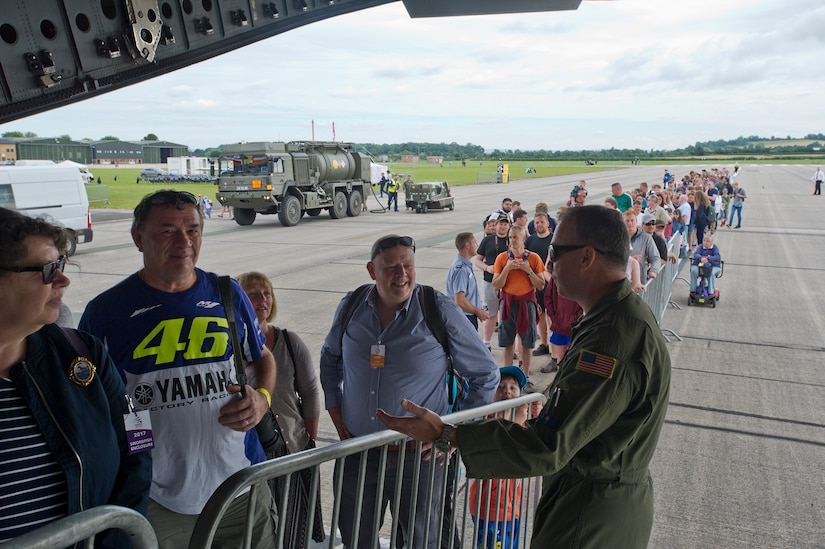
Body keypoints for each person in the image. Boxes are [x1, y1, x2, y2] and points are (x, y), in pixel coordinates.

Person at [377, 205, 672, 549]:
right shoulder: (610, 321)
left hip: (590, 517)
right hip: (588, 503)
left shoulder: (614, 337)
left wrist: (450, 435)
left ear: (587, 257)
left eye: (556, 252)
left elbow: (549, 443)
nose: (548, 264)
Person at [79, 190, 277, 548]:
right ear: (138, 238)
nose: (183, 241)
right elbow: (90, 404)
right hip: (156, 497)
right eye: (167, 230)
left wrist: (262, 398)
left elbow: (261, 356)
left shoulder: (227, 293)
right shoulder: (106, 311)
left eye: (192, 230)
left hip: (241, 485)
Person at [319, 234, 499, 549]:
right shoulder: (351, 307)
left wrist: (455, 432)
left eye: (408, 265)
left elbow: (485, 373)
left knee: (420, 541)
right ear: (371, 271)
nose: (401, 273)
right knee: (355, 538)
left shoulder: (436, 309)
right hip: (357, 453)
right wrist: (336, 413)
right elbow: (329, 358)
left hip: (420, 459)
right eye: (390, 267)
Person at [0, 207, 151, 545]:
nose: (63, 280)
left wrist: (119, 540)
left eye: (62, 265)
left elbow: (138, 431)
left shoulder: (84, 352)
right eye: (48, 269)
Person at [237, 271, 324, 548]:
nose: (262, 299)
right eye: (252, 294)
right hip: (254, 453)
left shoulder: (289, 341)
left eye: (266, 293)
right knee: (261, 527)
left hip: (292, 446)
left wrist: (308, 438)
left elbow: (310, 391)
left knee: (294, 525)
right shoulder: (229, 344)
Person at [468, 366, 531, 549]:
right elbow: (501, 449)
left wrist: (535, 413)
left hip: (512, 507)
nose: (507, 392)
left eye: (513, 388)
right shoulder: (488, 420)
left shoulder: (522, 422)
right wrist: (518, 421)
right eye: (500, 387)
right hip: (491, 508)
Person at [492, 224, 546, 376]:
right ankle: (508, 375)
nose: (512, 240)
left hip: (526, 303)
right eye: (510, 237)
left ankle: (526, 375)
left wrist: (528, 270)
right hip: (507, 303)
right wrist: (507, 269)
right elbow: (496, 285)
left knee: (527, 343)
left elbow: (541, 285)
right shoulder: (502, 258)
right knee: (507, 342)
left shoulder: (533, 258)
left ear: (523, 238)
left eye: (515, 237)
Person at [474, 214, 511, 350]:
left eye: (505, 224)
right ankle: (486, 343)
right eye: (500, 224)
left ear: (509, 226)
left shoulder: (512, 240)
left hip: (509, 283)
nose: (502, 226)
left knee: (507, 314)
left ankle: (508, 344)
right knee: (491, 314)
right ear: (495, 226)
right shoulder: (488, 241)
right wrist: (487, 267)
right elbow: (477, 260)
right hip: (489, 282)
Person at [446, 232, 490, 329]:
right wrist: (478, 312)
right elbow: (460, 301)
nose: (477, 245)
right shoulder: (461, 270)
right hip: (464, 318)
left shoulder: (465, 266)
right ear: (467, 245)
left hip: (468, 316)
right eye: (475, 242)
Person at [525, 213, 553, 358]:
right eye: (536, 223)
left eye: (542, 222)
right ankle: (544, 343)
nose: (539, 225)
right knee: (540, 313)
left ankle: (555, 346)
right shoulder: (530, 241)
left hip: (551, 283)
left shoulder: (553, 240)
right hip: (535, 283)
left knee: (552, 314)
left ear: (548, 224)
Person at [625, 211, 660, 285]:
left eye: (632, 220)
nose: (630, 223)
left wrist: (653, 271)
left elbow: (655, 257)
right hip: (623, 281)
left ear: (636, 221)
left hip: (640, 281)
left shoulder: (646, 238)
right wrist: (631, 259)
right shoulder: (617, 238)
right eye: (627, 221)